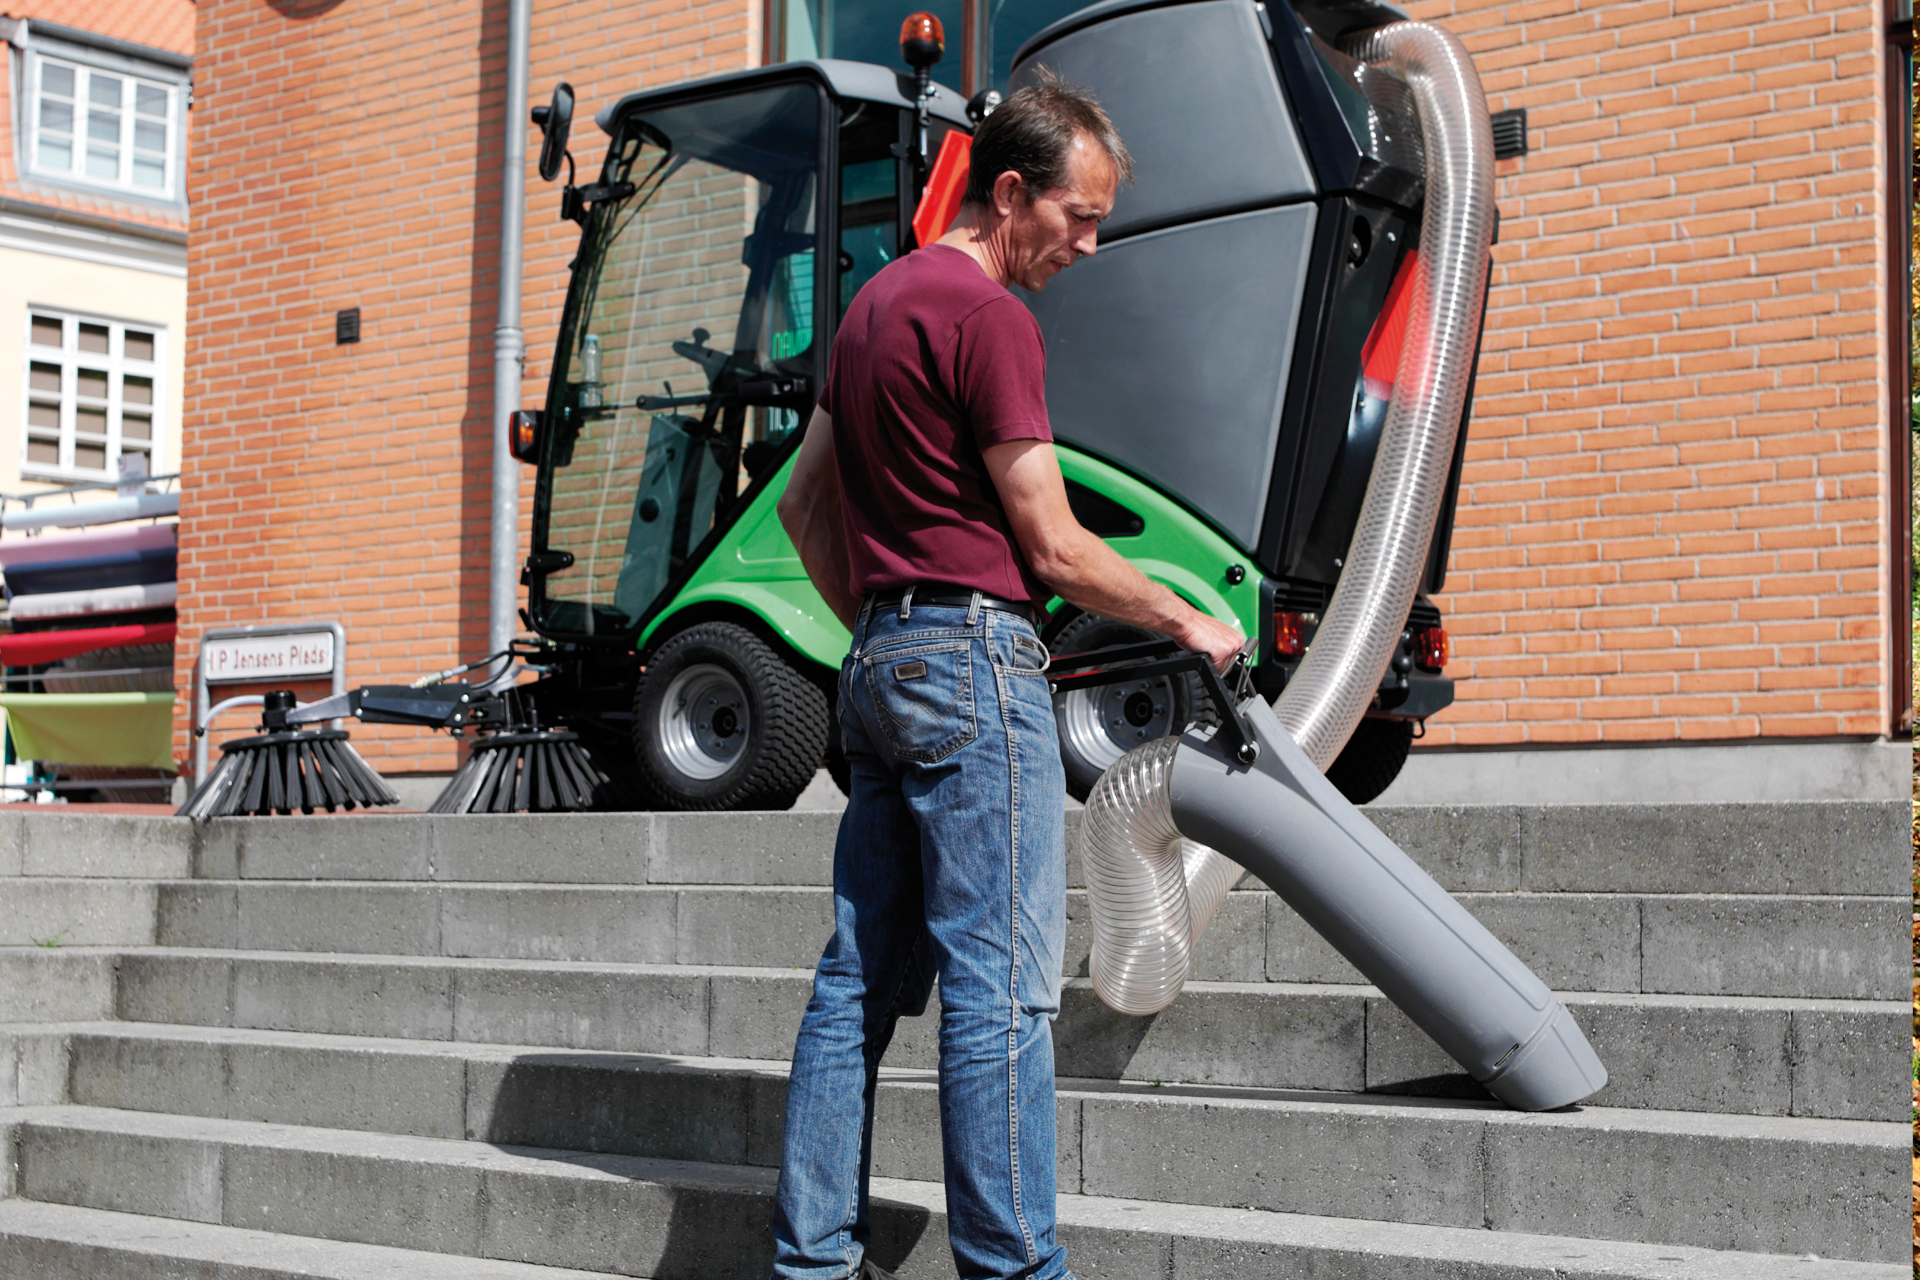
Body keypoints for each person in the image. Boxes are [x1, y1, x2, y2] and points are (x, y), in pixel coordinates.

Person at [770, 75, 1244, 1280]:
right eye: (1078, 216)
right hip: (975, 663)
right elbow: (1052, 544)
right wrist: (1186, 617)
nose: (1089, 243)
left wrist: (883, 631)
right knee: (1003, 986)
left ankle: (813, 1260)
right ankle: (1015, 1267)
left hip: (880, 662)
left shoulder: (875, 304)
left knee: (854, 990)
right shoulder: (990, 319)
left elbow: (801, 501)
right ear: (1012, 191)